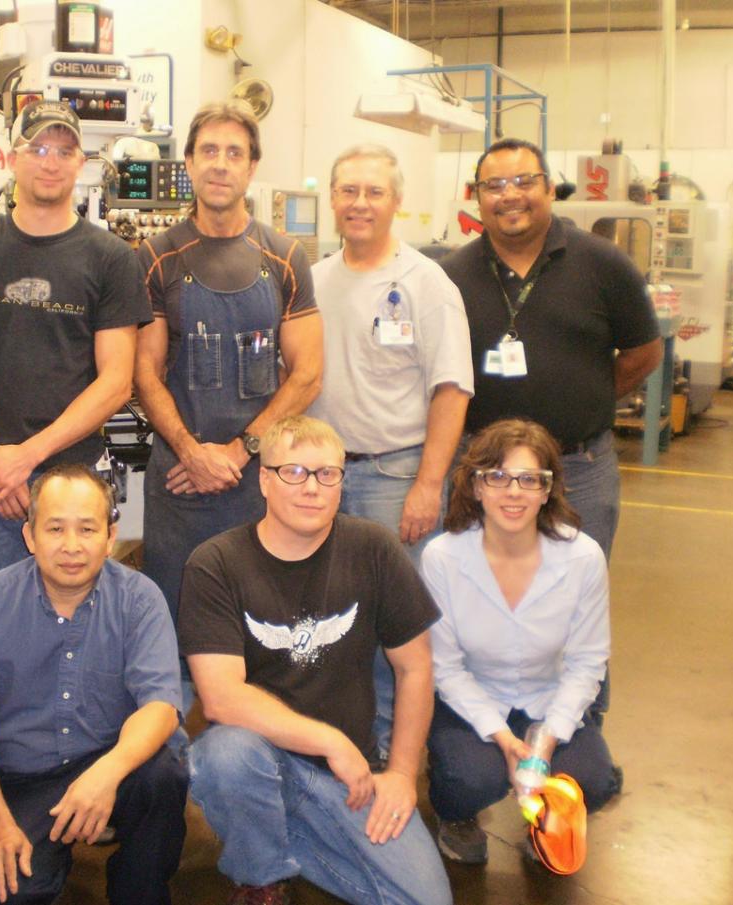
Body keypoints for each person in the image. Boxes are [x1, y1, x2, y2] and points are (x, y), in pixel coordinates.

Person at [179, 415, 451, 905]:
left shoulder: (373, 548)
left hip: (352, 779)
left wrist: (402, 776)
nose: (312, 488)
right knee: (224, 754)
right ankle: (260, 876)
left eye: (327, 474)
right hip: (261, 761)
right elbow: (220, 698)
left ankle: (280, 838)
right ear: (264, 480)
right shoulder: (215, 563)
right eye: (294, 472)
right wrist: (327, 741)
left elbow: (415, 668)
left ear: (341, 483)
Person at [0, 100, 150, 587]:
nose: (50, 161)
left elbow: (116, 382)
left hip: (74, 476)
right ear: (13, 157)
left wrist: (25, 457)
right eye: (38, 148)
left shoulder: (111, 259)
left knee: (77, 612)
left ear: (81, 164)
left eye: (64, 150)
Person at [308, 143, 474, 761]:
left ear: (397, 203)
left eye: (374, 192)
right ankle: (337, 738)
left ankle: (386, 749)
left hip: (392, 473)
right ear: (332, 200)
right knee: (328, 613)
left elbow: (452, 387)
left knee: (390, 621)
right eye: (348, 191)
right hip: (319, 476)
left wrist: (429, 484)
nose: (360, 204)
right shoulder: (316, 279)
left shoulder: (426, 284)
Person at [0, 464, 186, 905]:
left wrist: (107, 772)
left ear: (110, 536)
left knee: (165, 773)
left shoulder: (140, 599)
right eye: (55, 529)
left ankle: (139, 892)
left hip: (111, 760)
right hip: (21, 778)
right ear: (29, 536)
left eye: (87, 529)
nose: (71, 546)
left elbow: (160, 706)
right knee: (6, 893)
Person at [134, 101, 323, 631]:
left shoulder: (286, 256)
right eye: (209, 151)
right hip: (179, 478)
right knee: (174, 625)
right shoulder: (154, 257)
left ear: (252, 168)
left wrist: (241, 453)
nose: (221, 164)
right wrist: (192, 453)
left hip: (263, 478)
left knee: (266, 626)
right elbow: (144, 373)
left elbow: (307, 372)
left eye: (234, 153)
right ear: (189, 164)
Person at [440, 137, 662, 562]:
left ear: (549, 190)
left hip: (578, 470)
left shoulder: (604, 265)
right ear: (478, 197)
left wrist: (591, 396)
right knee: (479, 597)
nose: (509, 195)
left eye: (524, 181)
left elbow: (645, 351)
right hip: (482, 472)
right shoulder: (450, 277)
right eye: (494, 185)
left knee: (575, 600)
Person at [421, 418, 620, 865]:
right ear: (475, 486)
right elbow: (446, 668)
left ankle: (542, 822)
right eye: (497, 477)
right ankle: (457, 814)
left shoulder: (584, 557)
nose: (514, 492)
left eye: (530, 479)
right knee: (470, 778)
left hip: (547, 698)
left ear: (548, 490)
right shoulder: (443, 558)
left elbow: (589, 662)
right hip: (473, 699)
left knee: (594, 780)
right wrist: (504, 740)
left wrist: (546, 740)